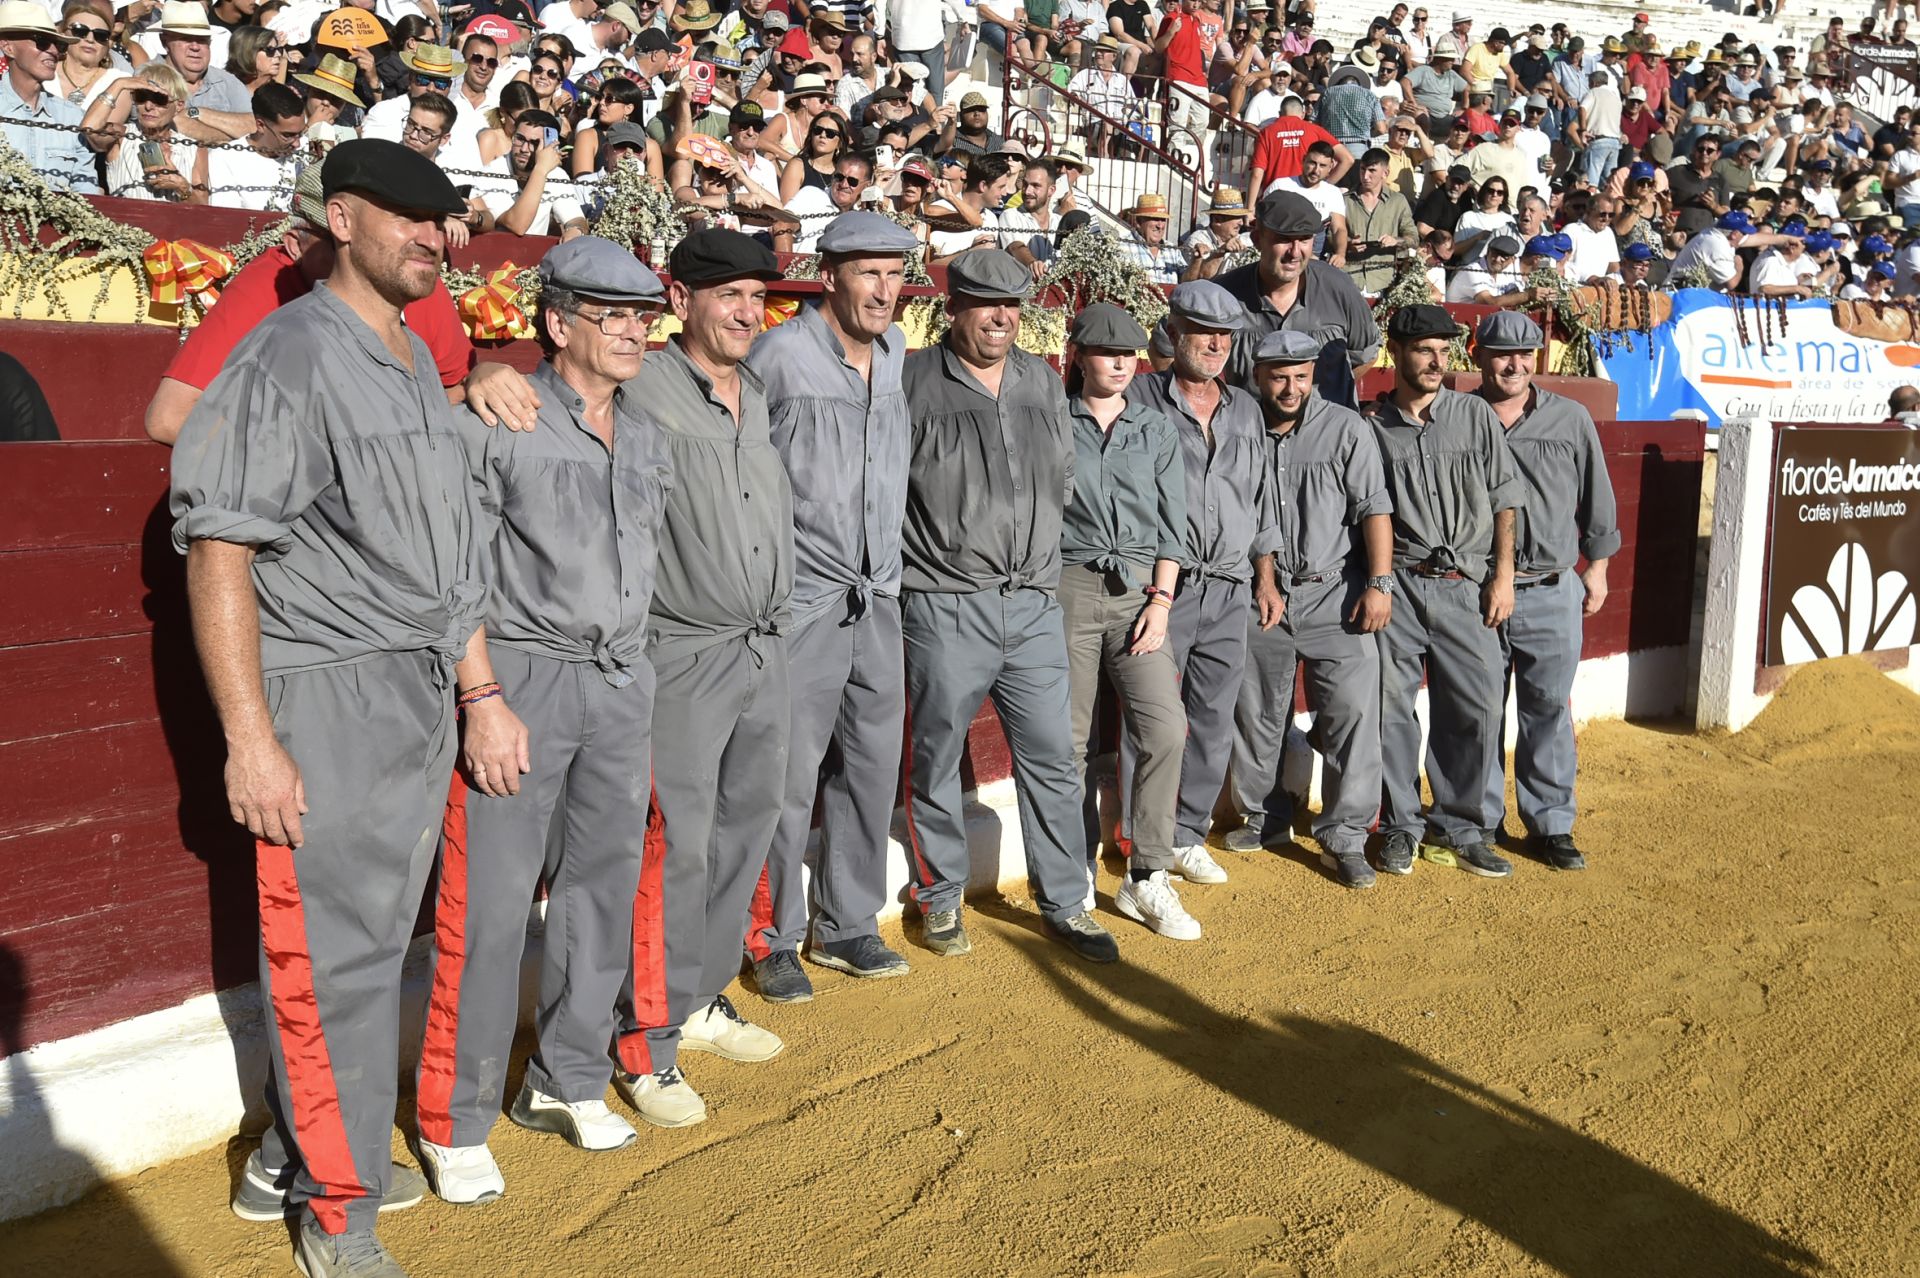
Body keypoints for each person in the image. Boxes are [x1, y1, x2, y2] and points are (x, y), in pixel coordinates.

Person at [169, 139, 483, 1278]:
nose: (435, 239)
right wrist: (252, 740)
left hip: (413, 691)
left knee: (366, 947)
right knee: (331, 961)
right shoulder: (291, 352)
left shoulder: (405, 352)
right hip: (329, 694)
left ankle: (299, 1151)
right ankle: (336, 1207)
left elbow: (442, 550)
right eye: (409, 219)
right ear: (341, 219)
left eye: (444, 222)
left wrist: (472, 686)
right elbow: (220, 550)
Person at [413, 239, 674, 1204]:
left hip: (619, 681)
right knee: (487, 907)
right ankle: (455, 1117)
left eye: (643, 316)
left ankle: (562, 1079)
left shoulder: (644, 433)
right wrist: (481, 699)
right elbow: (453, 572)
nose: (633, 331)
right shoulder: (499, 417)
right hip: (520, 680)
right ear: (556, 323)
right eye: (610, 316)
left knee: (603, 889)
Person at [602, 229, 791, 1124]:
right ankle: (646, 1043)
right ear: (679, 301)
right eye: (731, 297)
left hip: (765, 647)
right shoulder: (640, 388)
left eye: (759, 297)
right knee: (673, 849)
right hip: (680, 651)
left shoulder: (756, 392)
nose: (750, 313)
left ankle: (699, 993)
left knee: (743, 831)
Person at [898, 248, 1120, 964]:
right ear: (953, 307)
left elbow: (1059, 476)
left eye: (1012, 306)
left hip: (1031, 603)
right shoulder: (911, 382)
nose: (1001, 318)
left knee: (1054, 756)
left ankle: (1065, 901)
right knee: (934, 757)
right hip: (943, 600)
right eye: (986, 304)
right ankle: (938, 899)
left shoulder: (1038, 380)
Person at [737, 212, 918, 1004]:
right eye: (868, 273)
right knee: (786, 776)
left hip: (878, 593)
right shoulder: (778, 355)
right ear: (829, 274)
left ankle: (847, 925)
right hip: (802, 600)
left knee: (872, 767)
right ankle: (773, 937)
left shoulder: (897, 351)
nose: (884, 291)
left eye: (895, 273)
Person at [144, 163, 535, 447]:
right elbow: (170, 418)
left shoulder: (409, 279)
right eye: (339, 247)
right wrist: (319, 455)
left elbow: (453, 387)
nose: (354, 260)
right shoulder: (270, 284)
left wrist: (479, 378)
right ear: (296, 244)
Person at [1229, 329, 1392, 887]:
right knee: (1257, 715)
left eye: (1300, 376)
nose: (1290, 387)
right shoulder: (1239, 426)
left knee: (1351, 716)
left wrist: (1380, 583)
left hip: (1335, 592)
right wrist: (1263, 578)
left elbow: (1374, 507)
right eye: (1279, 376)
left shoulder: (1347, 428)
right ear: (1258, 376)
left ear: (1314, 376)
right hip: (1260, 594)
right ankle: (1264, 816)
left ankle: (1344, 837)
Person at [1365, 303, 1523, 881]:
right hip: (1402, 584)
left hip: (1468, 586)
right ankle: (1402, 827)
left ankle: (1461, 826)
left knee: (1476, 711)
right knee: (1390, 711)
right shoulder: (1371, 427)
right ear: (1397, 354)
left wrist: (1503, 576)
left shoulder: (1475, 416)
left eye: (1444, 350)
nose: (1436, 361)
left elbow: (1506, 499)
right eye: (1424, 350)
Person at [1056, 303, 1195, 938]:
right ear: (1079, 355)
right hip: (1068, 589)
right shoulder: (1053, 423)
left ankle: (1148, 876)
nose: (1119, 362)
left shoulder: (1157, 430)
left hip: (1141, 593)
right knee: (1071, 742)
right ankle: (1073, 872)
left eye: (1129, 352)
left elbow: (1175, 525)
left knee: (1164, 730)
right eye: (1105, 351)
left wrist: (1162, 604)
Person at [1470, 311, 1618, 873]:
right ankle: (1479, 820)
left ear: (1539, 357)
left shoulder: (1571, 418)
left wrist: (1597, 568)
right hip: (1478, 589)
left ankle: (1551, 823)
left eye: (1525, 354)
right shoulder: (1460, 415)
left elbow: (1597, 498)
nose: (1514, 364)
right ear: (1478, 355)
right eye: (1503, 353)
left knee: (1548, 710)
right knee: (1479, 710)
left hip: (1552, 587)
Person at [1127, 281, 1258, 879]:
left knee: (1212, 714)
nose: (1215, 344)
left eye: (1225, 335)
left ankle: (1187, 833)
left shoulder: (1246, 408)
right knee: (1153, 715)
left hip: (1230, 582)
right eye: (1203, 331)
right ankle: (1140, 837)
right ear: (1173, 332)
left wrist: (1266, 574)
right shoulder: (1139, 399)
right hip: (1162, 585)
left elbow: (1261, 499)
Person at [1216, 190, 1381, 410]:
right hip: (1253, 436)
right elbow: (1169, 350)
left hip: (1327, 438)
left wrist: (1323, 400)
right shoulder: (1224, 294)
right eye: (1284, 240)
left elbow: (1368, 353)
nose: (1295, 253)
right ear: (1257, 239)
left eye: (1304, 240)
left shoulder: (1339, 288)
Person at [1, 1, 103, 192]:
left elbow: (86, 191)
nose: (54, 51)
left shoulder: (72, 117)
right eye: (41, 42)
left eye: (58, 45)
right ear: (8, 48)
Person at [486, 109, 589, 237]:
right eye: (519, 139)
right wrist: (540, 170)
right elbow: (517, 225)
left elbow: (576, 219)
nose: (524, 149)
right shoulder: (493, 172)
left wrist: (575, 230)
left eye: (534, 143)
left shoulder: (556, 174)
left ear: (551, 145)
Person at [204, 81, 304, 209]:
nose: (297, 143)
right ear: (261, 125)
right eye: (287, 136)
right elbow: (228, 218)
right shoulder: (226, 158)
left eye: (300, 134)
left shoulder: (307, 150)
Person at [1341, 147, 1416, 294]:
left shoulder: (1398, 201)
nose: (1365, 176)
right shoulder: (1345, 201)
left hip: (1383, 281)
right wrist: (1348, 244)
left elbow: (1413, 238)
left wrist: (1396, 240)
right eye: (1362, 169)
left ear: (1385, 173)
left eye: (1372, 171)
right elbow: (1331, 235)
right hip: (1349, 279)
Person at [1119, 192, 1188, 285]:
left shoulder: (1172, 250)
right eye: (1155, 218)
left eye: (1163, 220)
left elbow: (1188, 282)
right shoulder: (1122, 247)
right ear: (1139, 222)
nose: (1160, 225)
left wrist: (1197, 260)